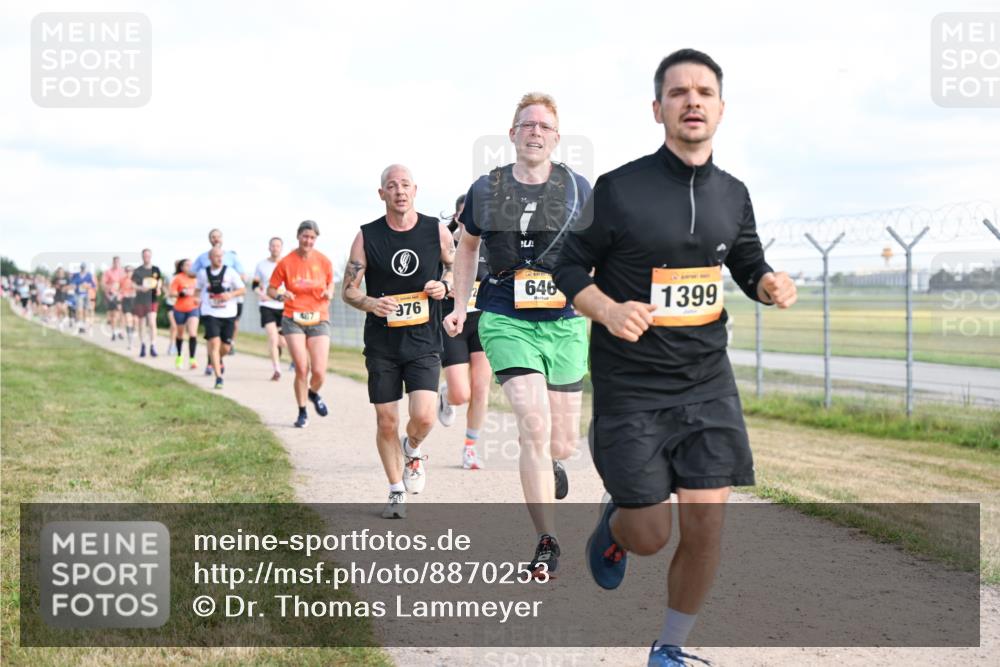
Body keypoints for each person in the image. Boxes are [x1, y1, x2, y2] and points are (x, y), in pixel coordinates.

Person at [553, 49, 797, 666]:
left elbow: (743, 257)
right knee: (650, 535)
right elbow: (567, 264)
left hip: (707, 382)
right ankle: (614, 529)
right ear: (657, 107)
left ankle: (669, 649)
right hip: (632, 387)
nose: (693, 101)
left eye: (705, 91)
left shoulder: (734, 194)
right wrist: (606, 309)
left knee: (708, 525)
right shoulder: (619, 189)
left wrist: (766, 281)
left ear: (720, 107)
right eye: (679, 92)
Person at [444, 93, 591, 575]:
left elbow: (602, 252)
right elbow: (466, 249)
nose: (535, 131)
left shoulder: (578, 189)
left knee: (563, 441)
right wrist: (459, 303)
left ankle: (553, 464)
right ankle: (546, 540)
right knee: (534, 423)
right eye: (526, 124)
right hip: (505, 313)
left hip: (565, 322)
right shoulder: (486, 190)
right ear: (511, 134)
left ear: (555, 137)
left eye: (544, 126)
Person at [343, 164, 453, 519]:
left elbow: (455, 267)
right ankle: (394, 489)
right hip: (382, 344)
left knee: (423, 417)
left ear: (415, 190)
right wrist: (371, 303)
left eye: (405, 185)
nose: (400, 191)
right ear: (382, 194)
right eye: (392, 186)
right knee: (386, 420)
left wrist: (446, 285)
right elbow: (349, 289)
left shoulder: (435, 230)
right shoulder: (367, 236)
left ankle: (413, 448)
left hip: (424, 339)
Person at [437, 194, 492, 470]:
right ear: (458, 217)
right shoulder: (445, 246)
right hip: (454, 322)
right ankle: (447, 396)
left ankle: (470, 448)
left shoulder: (489, 246)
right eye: (464, 213)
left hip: (483, 322)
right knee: (462, 394)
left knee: (481, 387)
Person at [267, 222, 334, 426]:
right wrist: (280, 295)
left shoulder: (323, 261)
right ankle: (302, 412)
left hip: (319, 317)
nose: (308, 241)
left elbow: (331, 282)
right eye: (305, 236)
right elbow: (271, 289)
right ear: (298, 236)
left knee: (320, 371)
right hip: (293, 317)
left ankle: (313, 393)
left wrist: (330, 291)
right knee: (302, 368)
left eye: (312, 237)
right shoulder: (286, 262)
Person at [192, 228, 248, 364]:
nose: (215, 239)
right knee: (212, 336)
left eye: (218, 236)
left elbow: (243, 276)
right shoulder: (203, 257)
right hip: (210, 302)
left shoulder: (231, 257)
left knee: (233, 325)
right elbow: (193, 273)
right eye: (213, 237)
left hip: (230, 300)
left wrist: (229, 282)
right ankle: (210, 362)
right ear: (209, 240)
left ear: (222, 239)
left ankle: (228, 346)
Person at [196, 247, 246, 389]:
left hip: (228, 313)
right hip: (210, 313)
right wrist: (195, 299)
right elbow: (198, 289)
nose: (219, 258)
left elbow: (243, 289)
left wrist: (230, 295)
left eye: (221, 256)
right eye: (216, 256)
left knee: (225, 347)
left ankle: (217, 359)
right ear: (210, 258)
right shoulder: (202, 273)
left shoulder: (230, 272)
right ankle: (219, 378)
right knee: (215, 343)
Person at [255, 237, 288, 381]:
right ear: (269, 247)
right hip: (267, 305)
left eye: (278, 246)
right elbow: (254, 285)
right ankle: (277, 369)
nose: (275, 248)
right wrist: (262, 295)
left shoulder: (287, 263)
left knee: (283, 342)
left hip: (284, 306)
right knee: (272, 338)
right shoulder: (261, 265)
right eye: (273, 246)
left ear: (281, 248)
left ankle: (278, 350)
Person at [169, 259, 200, 369]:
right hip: (180, 309)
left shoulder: (196, 278)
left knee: (192, 333)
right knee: (180, 334)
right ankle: (179, 357)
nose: (190, 267)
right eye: (187, 265)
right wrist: (181, 293)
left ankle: (192, 359)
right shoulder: (178, 278)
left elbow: (201, 292)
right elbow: (171, 293)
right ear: (182, 267)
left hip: (193, 308)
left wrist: (198, 298)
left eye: (191, 265)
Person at [131, 249, 162, 357]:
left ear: (151, 256)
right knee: (142, 323)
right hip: (141, 300)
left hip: (152, 299)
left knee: (152, 322)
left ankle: (153, 345)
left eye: (148, 255)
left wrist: (159, 288)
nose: (146, 257)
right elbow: (133, 284)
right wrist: (140, 288)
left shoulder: (156, 269)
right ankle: (143, 345)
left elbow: (159, 281)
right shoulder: (138, 270)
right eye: (144, 256)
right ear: (142, 257)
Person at [101, 256, 126, 341]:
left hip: (121, 295)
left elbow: (125, 283)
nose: (116, 264)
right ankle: (114, 332)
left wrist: (121, 290)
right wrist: (110, 287)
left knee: (122, 314)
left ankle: (120, 331)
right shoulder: (108, 272)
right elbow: (103, 284)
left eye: (118, 262)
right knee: (114, 315)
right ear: (113, 262)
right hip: (112, 296)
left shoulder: (122, 272)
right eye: (115, 262)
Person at [71, 262, 97, 333]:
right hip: (78, 294)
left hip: (86, 294)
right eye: (82, 268)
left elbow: (93, 285)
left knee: (86, 310)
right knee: (79, 310)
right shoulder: (76, 275)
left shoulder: (89, 275)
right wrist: (76, 285)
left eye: (84, 268)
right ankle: (79, 325)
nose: (83, 269)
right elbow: (73, 283)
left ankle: (84, 325)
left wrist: (88, 285)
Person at [120, 266, 137, 350]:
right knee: (128, 320)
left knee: (135, 321)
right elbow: (119, 290)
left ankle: (133, 336)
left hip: (135, 300)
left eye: (130, 271)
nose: (128, 272)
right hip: (126, 300)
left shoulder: (136, 280)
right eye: (127, 271)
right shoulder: (122, 280)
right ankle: (130, 342)